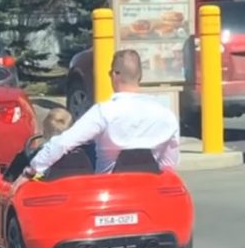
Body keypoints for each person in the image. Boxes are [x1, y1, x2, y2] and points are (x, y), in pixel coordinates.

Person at [11, 49, 180, 194]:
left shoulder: (104, 112)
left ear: (114, 75)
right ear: (140, 77)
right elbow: (168, 165)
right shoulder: (166, 116)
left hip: (109, 193)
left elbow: (63, 143)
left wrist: (31, 171)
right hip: (150, 192)